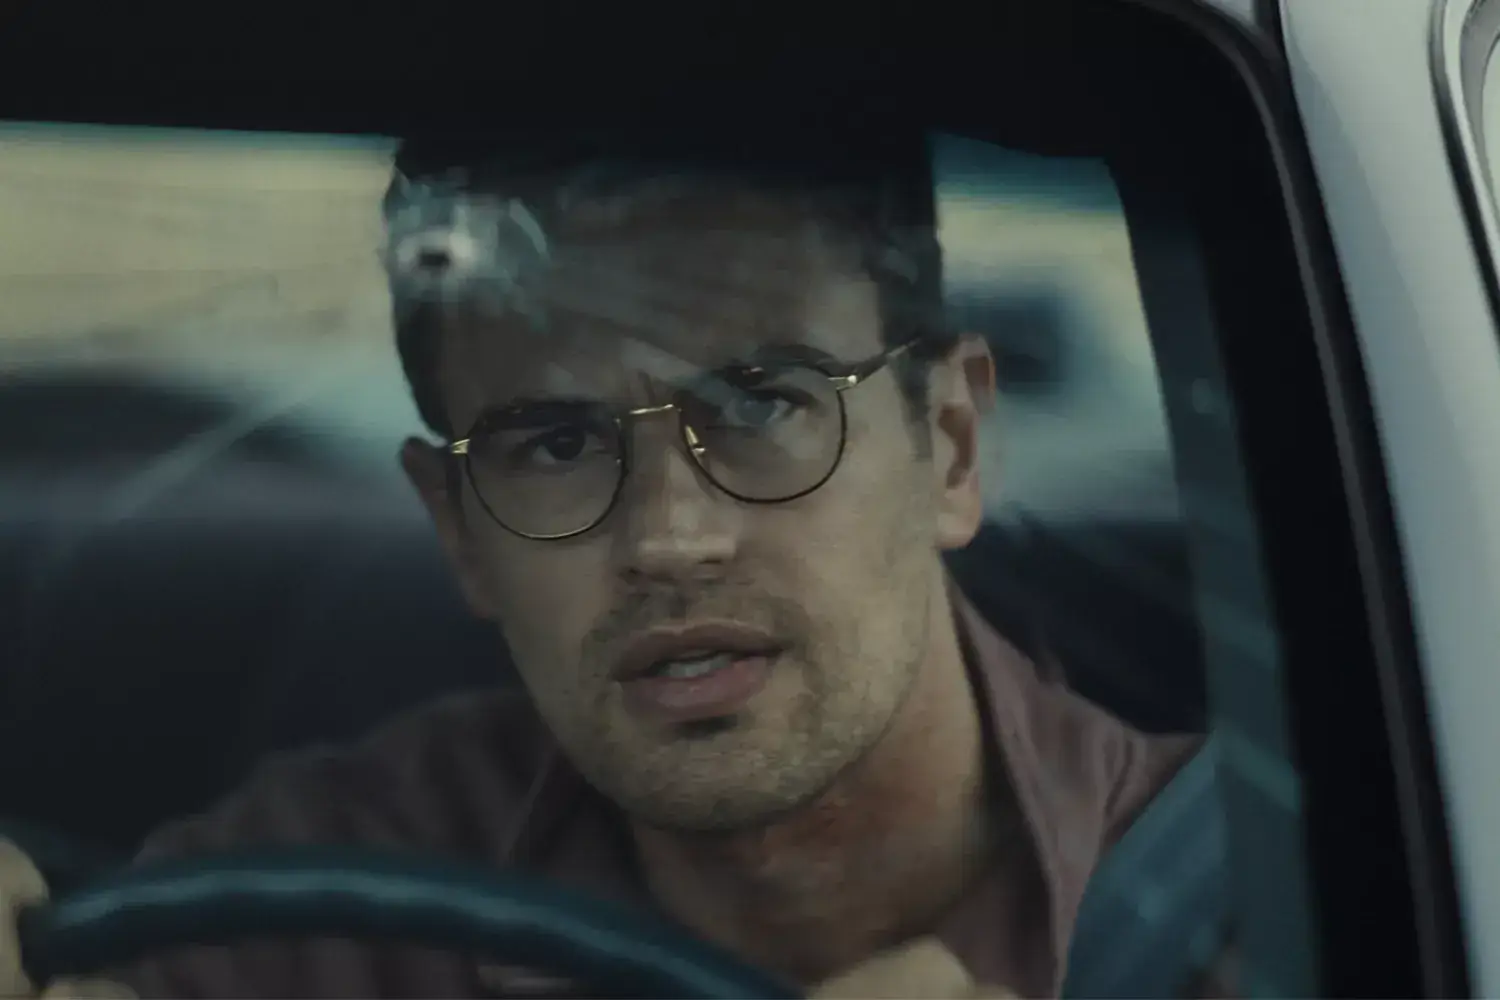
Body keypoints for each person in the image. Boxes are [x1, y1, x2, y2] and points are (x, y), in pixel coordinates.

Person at [0, 126, 1204, 998]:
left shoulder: (1239, 906)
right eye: (559, 444)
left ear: (949, 445)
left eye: (763, 405)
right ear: (461, 532)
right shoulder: (323, 905)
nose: (671, 539)